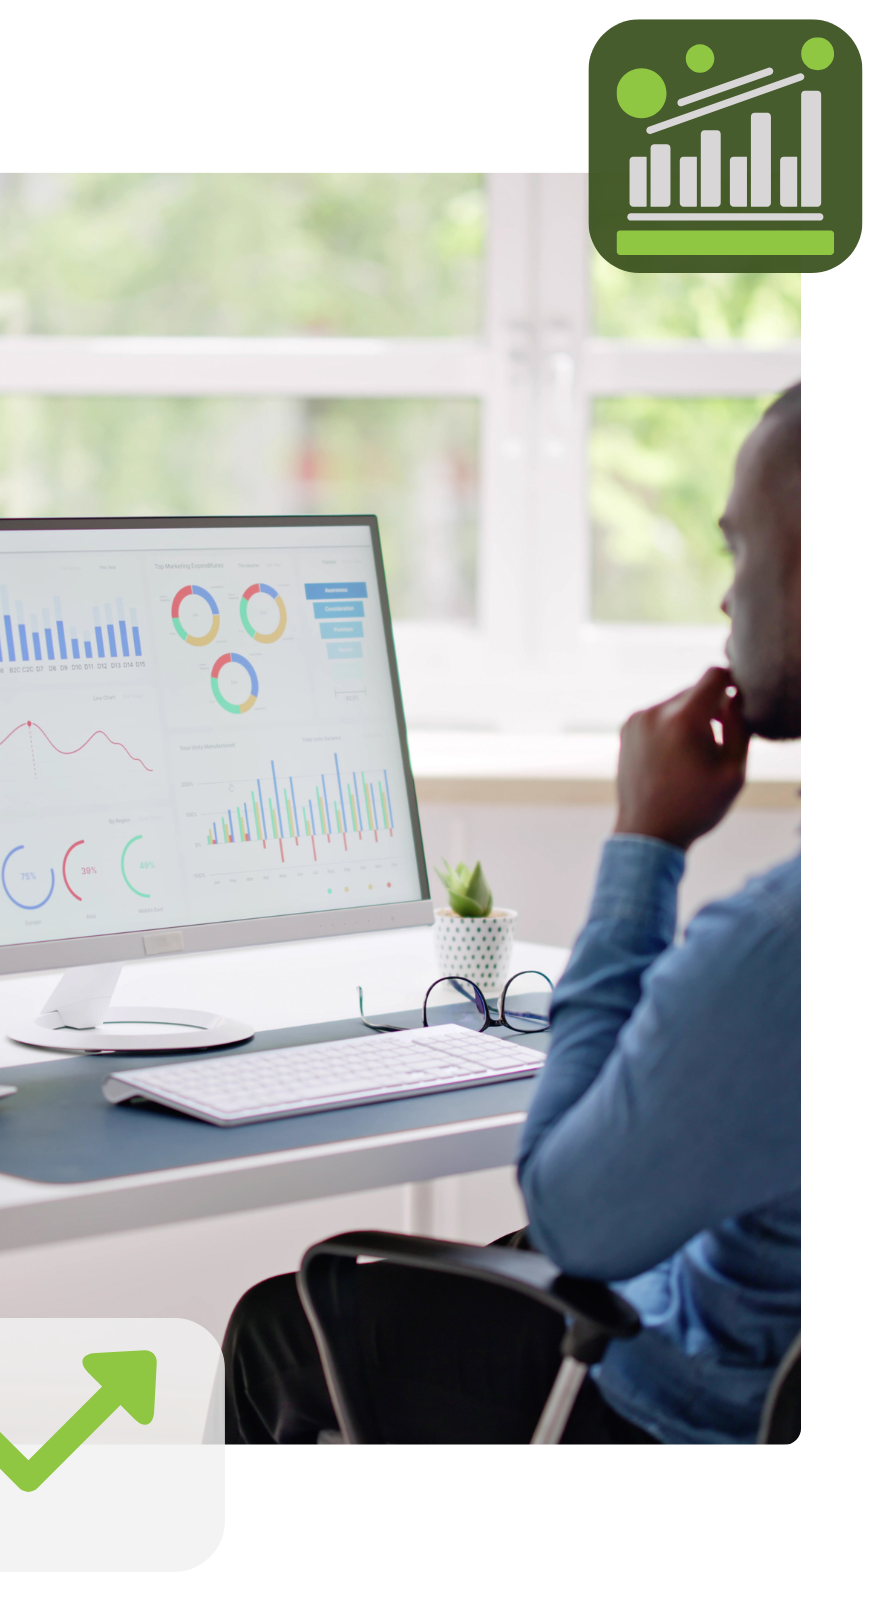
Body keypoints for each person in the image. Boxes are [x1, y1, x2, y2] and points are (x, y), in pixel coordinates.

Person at [223, 385, 801, 1445]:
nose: (728, 601)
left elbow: (576, 1224)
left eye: (742, 553)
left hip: (683, 1410)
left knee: (282, 1325)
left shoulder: (776, 945)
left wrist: (644, 845)